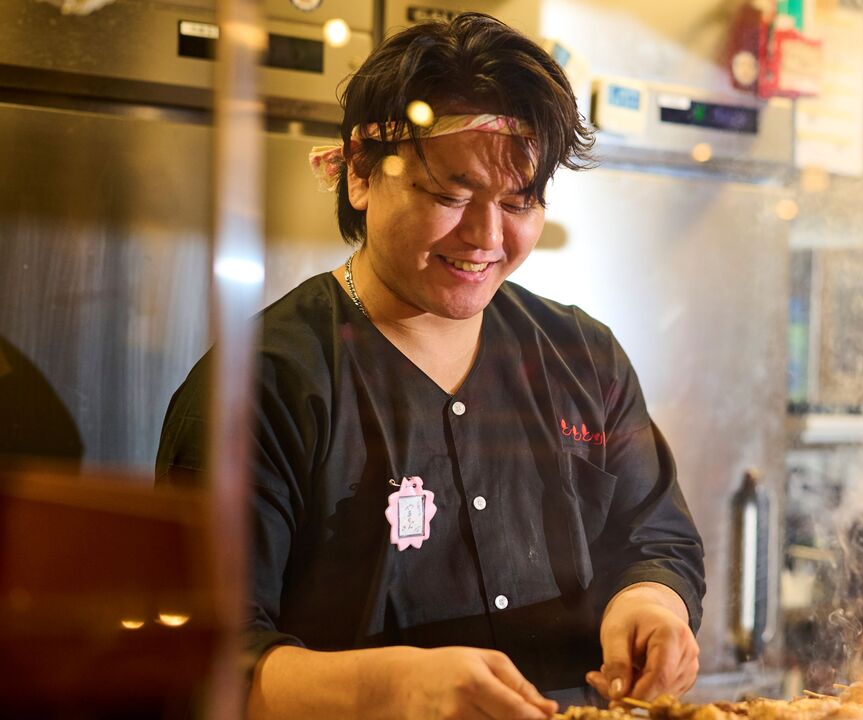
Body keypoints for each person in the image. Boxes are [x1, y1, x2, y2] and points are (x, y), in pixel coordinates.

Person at [156, 13, 705, 719]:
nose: (485, 237)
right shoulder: (265, 386)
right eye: (449, 196)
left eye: (519, 202)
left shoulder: (580, 356)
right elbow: (203, 662)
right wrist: (391, 689)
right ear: (359, 172)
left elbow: (656, 539)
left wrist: (651, 604)